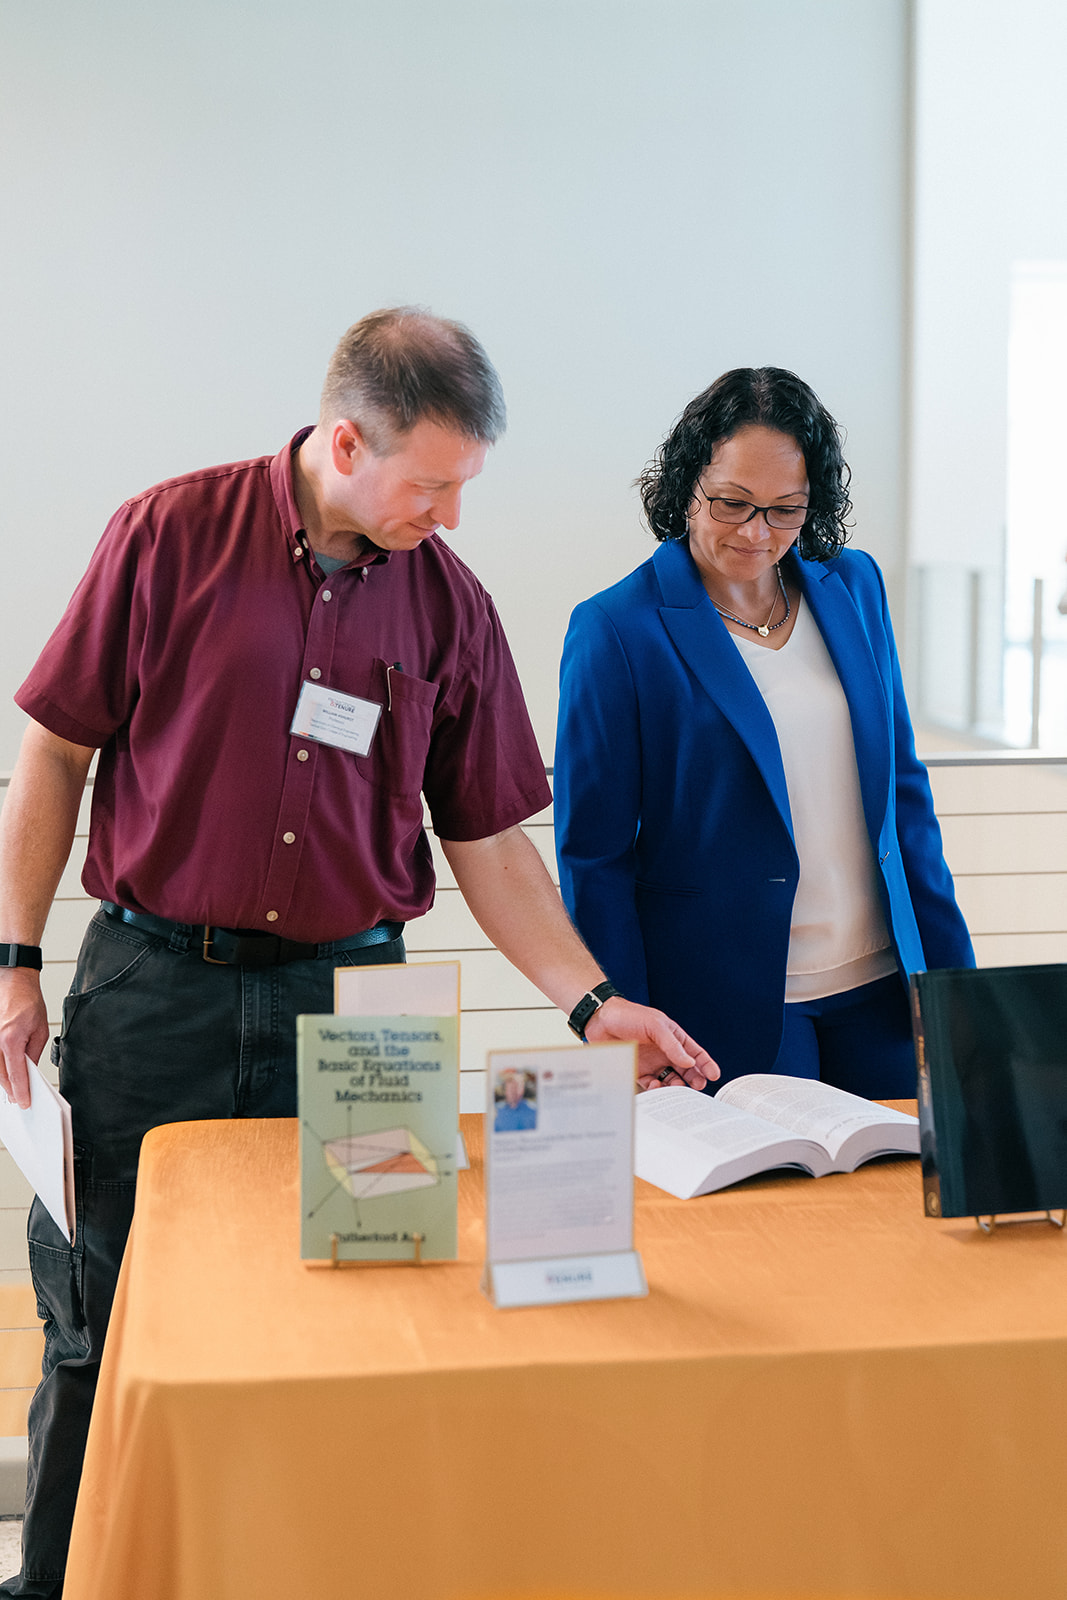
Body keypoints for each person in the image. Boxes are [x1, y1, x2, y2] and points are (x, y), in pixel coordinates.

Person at [0, 307, 715, 1598]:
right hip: (153, 988)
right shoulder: (167, 536)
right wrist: (12, 962)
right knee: (100, 1327)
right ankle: (64, 1582)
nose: (448, 514)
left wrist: (591, 1001)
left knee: (367, 1317)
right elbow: (55, 747)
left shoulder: (449, 603)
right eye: (430, 483)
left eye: (464, 486)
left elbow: (489, 838)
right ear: (345, 440)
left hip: (364, 1012)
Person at [555, 366, 974, 1098]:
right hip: (726, 1011)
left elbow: (904, 794)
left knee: (898, 1209)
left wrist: (955, 984)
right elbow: (594, 855)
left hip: (883, 990)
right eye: (731, 504)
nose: (756, 533)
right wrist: (622, 1018)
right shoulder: (616, 630)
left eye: (785, 510)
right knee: (765, 1216)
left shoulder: (853, 585)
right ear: (685, 484)